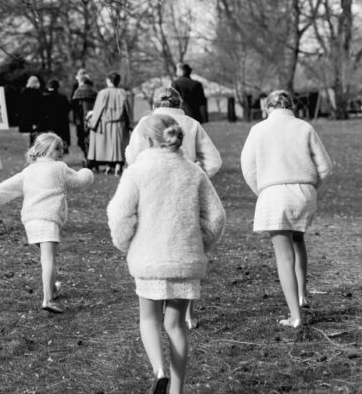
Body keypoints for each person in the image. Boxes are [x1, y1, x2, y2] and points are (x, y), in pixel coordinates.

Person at [107, 115, 225, 394]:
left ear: (148, 140)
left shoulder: (137, 171)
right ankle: (177, 390)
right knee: (176, 325)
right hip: (185, 259)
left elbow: (119, 214)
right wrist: (200, 243)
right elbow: (217, 217)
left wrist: (126, 244)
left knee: (148, 318)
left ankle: (159, 370)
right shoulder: (194, 172)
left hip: (149, 258)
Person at [125, 86, 222, 329]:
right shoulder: (191, 124)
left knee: (156, 242)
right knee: (186, 242)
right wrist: (199, 174)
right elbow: (214, 160)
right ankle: (186, 312)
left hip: (152, 190)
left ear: (154, 102)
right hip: (186, 189)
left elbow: (131, 156)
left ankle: (155, 304)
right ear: (179, 102)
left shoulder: (147, 123)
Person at [240, 90, 332, 328]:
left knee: (283, 255)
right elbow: (325, 166)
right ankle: (302, 294)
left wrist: (262, 190)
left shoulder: (258, 130)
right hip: (303, 193)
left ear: (267, 107)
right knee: (298, 240)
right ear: (291, 106)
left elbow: (248, 167)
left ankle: (295, 315)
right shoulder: (304, 127)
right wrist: (310, 187)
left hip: (274, 194)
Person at [0, 133, 94, 313]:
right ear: (46, 150)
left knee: (48, 257)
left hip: (31, 221)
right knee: (48, 259)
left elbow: (8, 187)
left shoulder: (29, 171)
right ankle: (48, 300)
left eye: (61, 149)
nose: (61, 152)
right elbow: (79, 181)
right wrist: (87, 173)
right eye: (58, 148)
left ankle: (53, 289)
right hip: (48, 218)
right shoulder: (60, 168)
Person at [86, 72, 132, 174]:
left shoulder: (103, 93)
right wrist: (130, 124)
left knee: (107, 146)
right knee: (118, 147)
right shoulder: (123, 93)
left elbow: (98, 110)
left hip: (105, 124)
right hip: (120, 124)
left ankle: (109, 167)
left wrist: (92, 124)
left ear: (109, 80)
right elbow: (128, 110)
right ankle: (118, 166)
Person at [71, 74, 97, 161]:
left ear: (81, 82)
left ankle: (86, 155)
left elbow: (73, 106)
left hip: (80, 118)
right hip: (91, 117)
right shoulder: (94, 91)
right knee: (90, 137)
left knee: (81, 137)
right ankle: (91, 156)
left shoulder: (78, 91)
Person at [42, 79, 71, 152]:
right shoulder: (62, 97)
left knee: (49, 139)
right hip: (60, 122)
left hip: (48, 122)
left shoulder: (44, 97)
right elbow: (68, 108)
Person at [18, 75, 45, 146]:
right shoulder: (38, 93)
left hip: (27, 115)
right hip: (36, 115)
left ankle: (32, 145)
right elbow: (41, 106)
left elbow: (20, 105)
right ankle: (33, 144)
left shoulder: (24, 92)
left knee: (30, 132)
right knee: (35, 131)